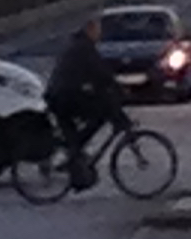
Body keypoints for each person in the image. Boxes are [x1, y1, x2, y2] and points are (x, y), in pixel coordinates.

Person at [45, 19, 130, 177]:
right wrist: (117, 88)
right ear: (89, 30)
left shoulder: (80, 45)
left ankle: (75, 153)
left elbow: (95, 74)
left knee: (92, 114)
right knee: (100, 113)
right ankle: (74, 155)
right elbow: (99, 73)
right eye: (97, 30)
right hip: (63, 97)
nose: (99, 34)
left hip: (60, 95)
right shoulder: (83, 48)